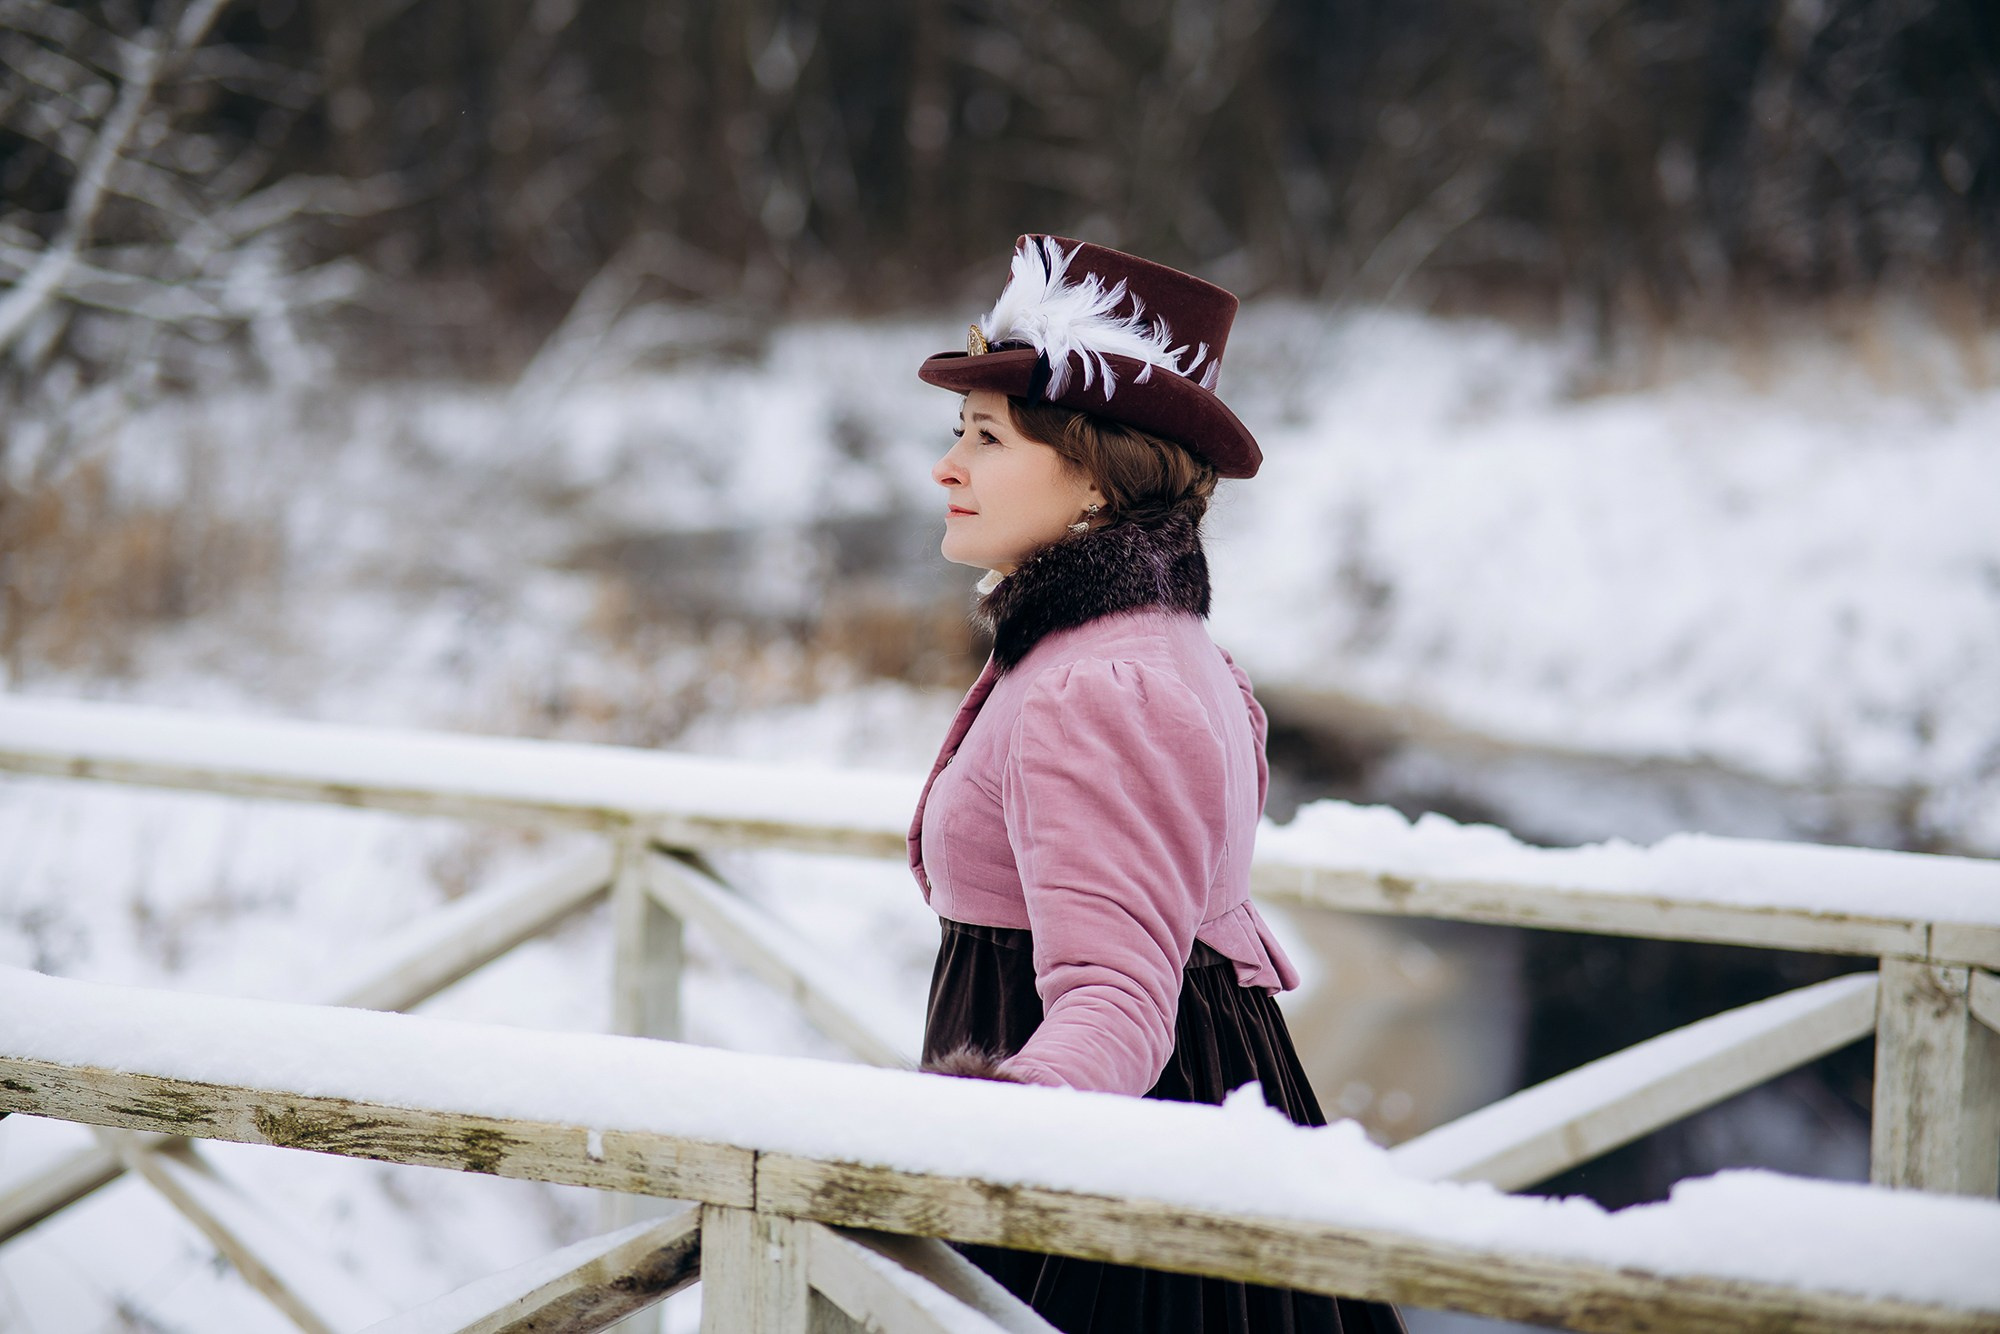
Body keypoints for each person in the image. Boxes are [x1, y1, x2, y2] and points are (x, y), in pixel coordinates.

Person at [908, 235, 1407, 1334]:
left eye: (985, 437)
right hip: (1150, 1124)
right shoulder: (1130, 644)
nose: (946, 465)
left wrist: (961, 1151)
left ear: (1094, 469)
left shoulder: (1104, 681)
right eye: (957, 433)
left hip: (1108, 1171)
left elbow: (1118, 999)